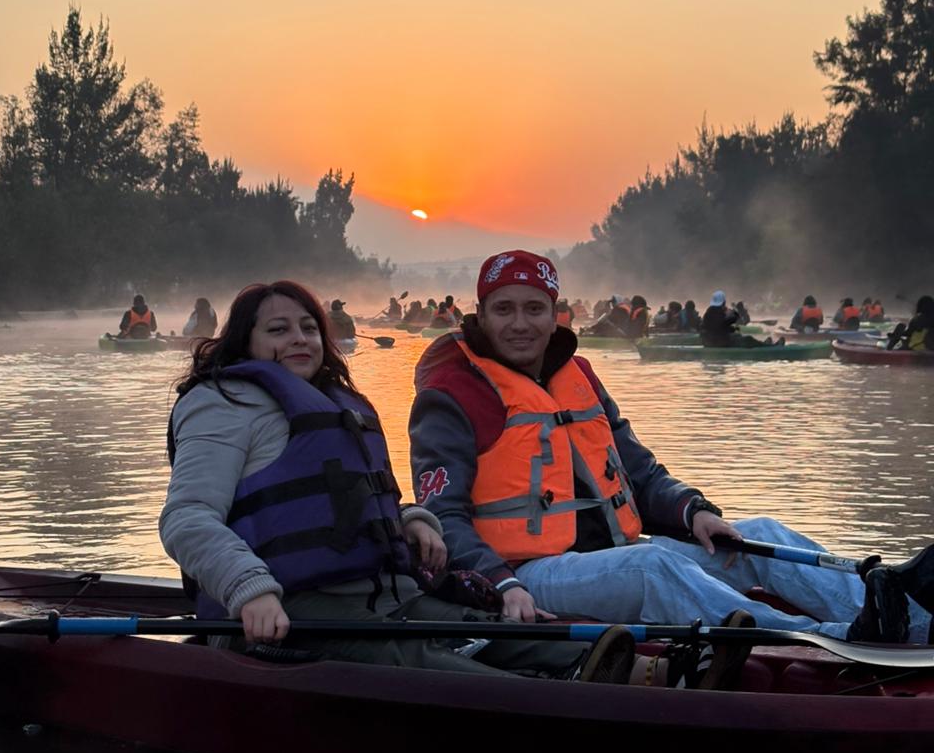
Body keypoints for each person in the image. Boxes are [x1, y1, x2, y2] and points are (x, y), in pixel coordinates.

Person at [408, 250, 934, 646]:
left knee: (758, 534)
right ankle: (829, 640)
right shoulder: (451, 396)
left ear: (555, 314)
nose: (520, 324)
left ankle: (913, 624)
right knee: (652, 565)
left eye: (534, 309)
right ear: (480, 314)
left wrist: (692, 509)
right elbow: (443, 517)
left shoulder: (578, 377)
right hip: (524, 574)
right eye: (504, 309)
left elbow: (638, 472)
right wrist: (500, 583)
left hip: (608, 554)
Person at [160, 280, 622, 683]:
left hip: (380, 596)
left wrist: (412, 520)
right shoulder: (223, 404)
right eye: (278, 330)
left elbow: (349, 504)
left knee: (511, 636)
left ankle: (638, 676)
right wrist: (251, 590)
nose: (299, 339)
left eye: (309, 328)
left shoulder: (336, 403)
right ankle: (569, 711)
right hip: (281, 609)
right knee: (426, 662)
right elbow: (187, 518)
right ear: (246, 341)